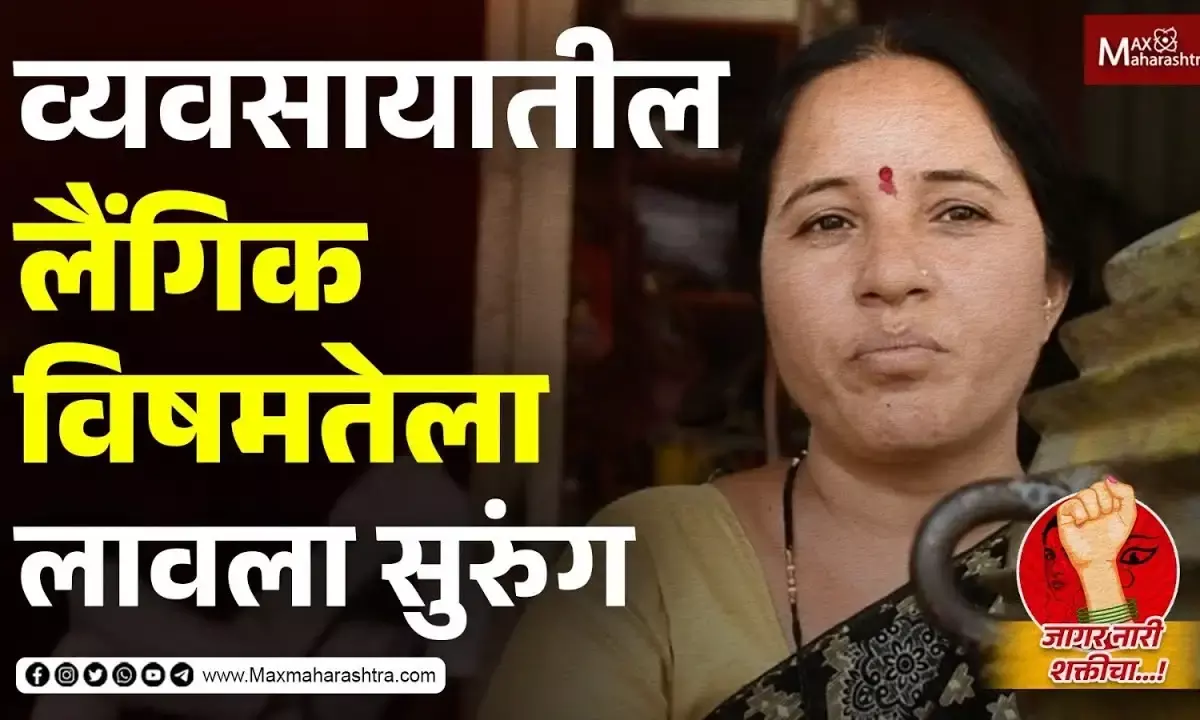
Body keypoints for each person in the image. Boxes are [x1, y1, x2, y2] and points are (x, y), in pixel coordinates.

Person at [479, 17, 1088, 720]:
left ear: (1053, 285)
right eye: (828, 222)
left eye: (958, 212)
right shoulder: (649, 566)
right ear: (763, 288)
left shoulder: (1130, 567)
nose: (890, 275)